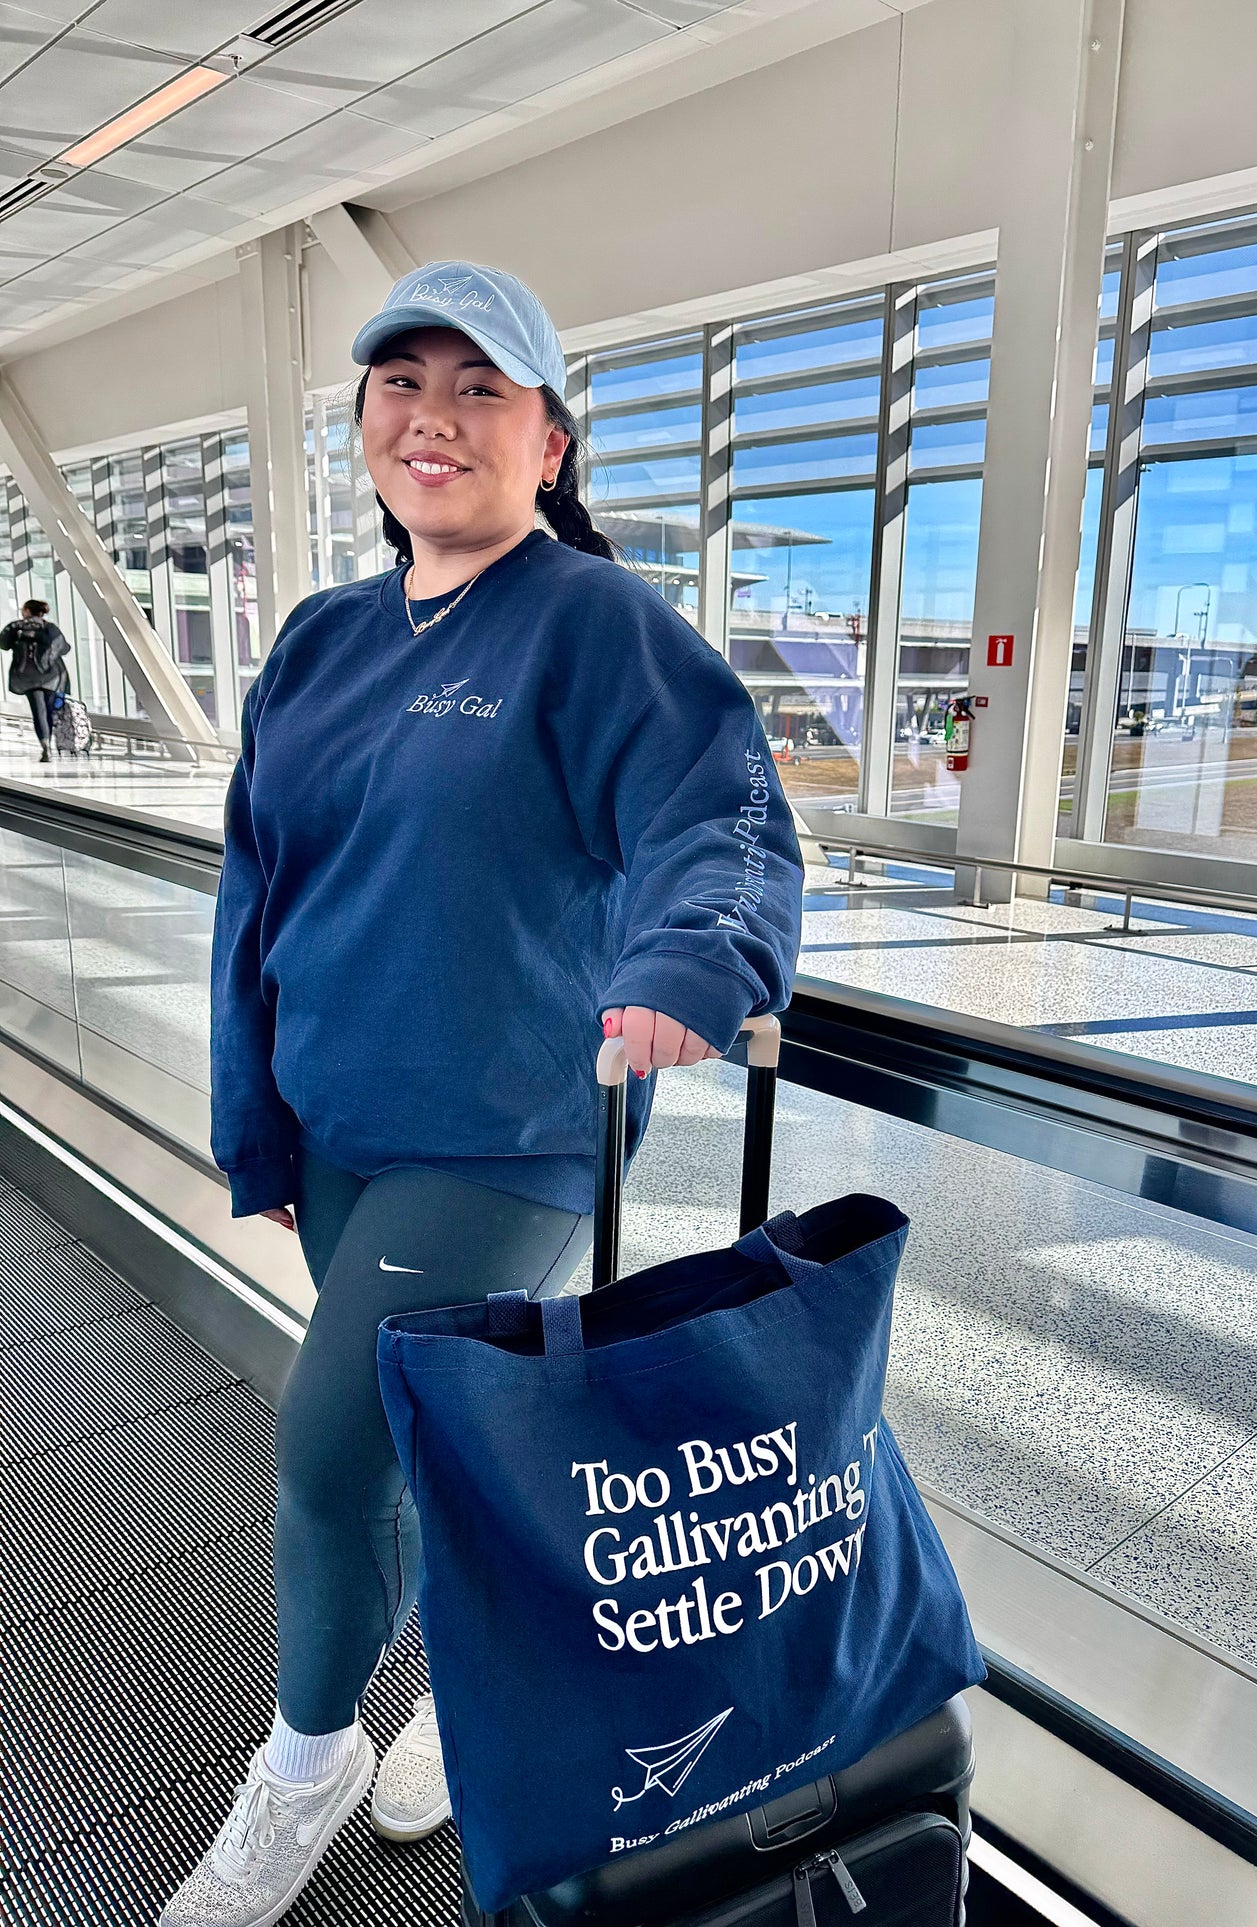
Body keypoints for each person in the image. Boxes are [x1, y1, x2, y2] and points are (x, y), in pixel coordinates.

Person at [164, 262, 803, 1927]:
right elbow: (259, 894)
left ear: (550, 441)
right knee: (429, 1455)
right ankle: (476, 1695)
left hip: (505, 1132)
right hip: (344, 1131)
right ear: (364, 425)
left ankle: (306, 1767)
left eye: (479, 388)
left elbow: (714, 808)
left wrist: (692, 963)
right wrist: (261, 1122)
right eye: (401, 383)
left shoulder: (590, 623)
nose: (433, 415)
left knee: (323, 1448)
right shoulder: (319, 644)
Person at [0, 598, 70, 761]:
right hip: (51, 676)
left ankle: (45, 744)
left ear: (27, 611)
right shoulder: (50, 628)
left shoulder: (16, 627)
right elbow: (65, 648)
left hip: (27, 675)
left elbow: (3, 643)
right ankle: (49, 742)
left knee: (38, 711)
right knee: (49, 710)